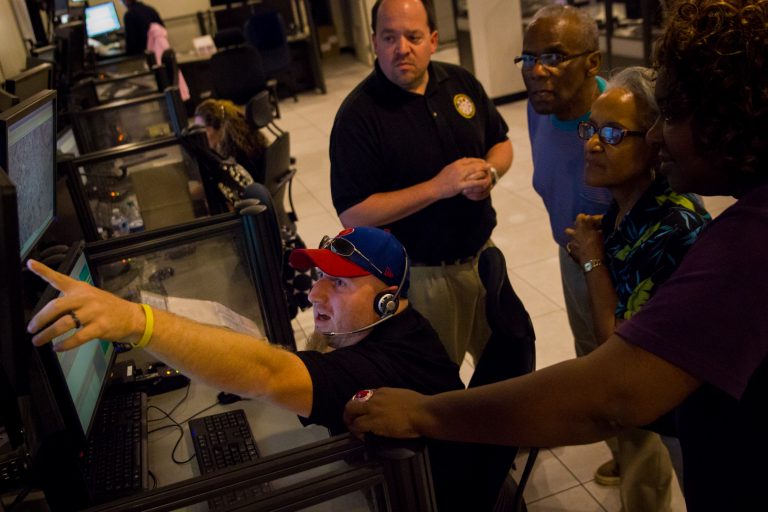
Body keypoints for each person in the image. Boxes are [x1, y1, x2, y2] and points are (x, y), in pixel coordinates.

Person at [344, 1, 768, 511]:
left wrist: (428, 414)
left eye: (671, 116)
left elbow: (609, 396)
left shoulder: (735, 246)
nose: (655, 137)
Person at [329, 0, 513, 365]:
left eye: (413, 36)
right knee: (438, 391)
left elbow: (501, 142)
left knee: (510, 366)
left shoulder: (459, 81)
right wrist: (438, 187)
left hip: (485, 258)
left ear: (432, 39)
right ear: (374, 42)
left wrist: (490, 173)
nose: (402, 49)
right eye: (389, 37)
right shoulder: (358, 116)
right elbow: (354, 214)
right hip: (424, 278)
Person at [565, 66, 711, 500]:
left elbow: (615, 346)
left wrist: (592, 261)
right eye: (591, 128)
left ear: (653, 144)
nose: (593, 143)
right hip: (664, 413)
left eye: (612, 134)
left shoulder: (674, 226)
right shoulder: (619, 214)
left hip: (697, 416)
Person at [520, 3, 624, 489]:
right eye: (528, 58)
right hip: (574, 259)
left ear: (592, 63)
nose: (537, 71)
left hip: (626, 268)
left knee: (629, 378)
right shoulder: (538, 109)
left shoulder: (622, 121)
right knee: (590, 360)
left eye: (554, 57)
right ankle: (625, 450)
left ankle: (647, 477)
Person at [194, 98, 270, 184]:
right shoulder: (242, 136)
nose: (200, 136)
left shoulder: (235, 153)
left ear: (217, 125)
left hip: (251, 191)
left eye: (202, 130)